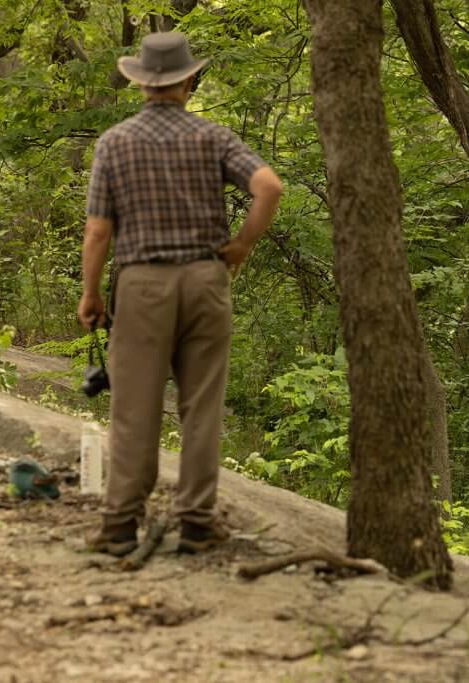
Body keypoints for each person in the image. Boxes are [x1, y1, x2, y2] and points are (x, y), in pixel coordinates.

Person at [77, 32, 284, 556]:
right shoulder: (214, 138)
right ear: (188, 81)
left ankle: (121, 523)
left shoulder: (114, 143)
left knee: (134, 407)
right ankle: (195, 521)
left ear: (141, 83)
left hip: (142, 283)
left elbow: (98, 231)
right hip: (204, 278)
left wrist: (91, 294)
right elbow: (269, 187)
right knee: (201, 406)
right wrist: (240, 246)